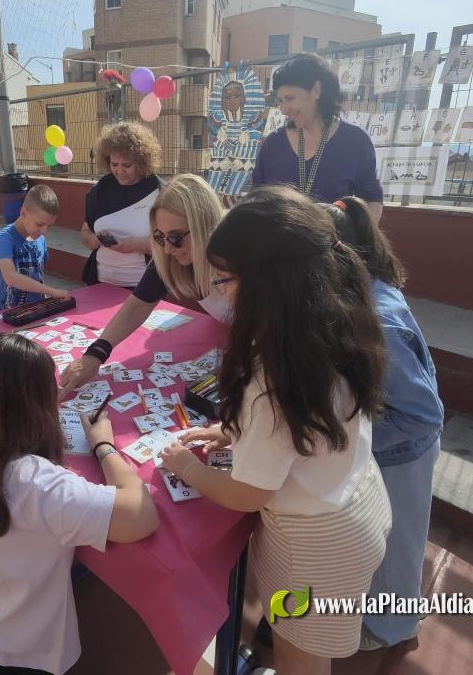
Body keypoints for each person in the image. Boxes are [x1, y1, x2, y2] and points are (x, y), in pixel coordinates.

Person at [159, 186, 392, 675]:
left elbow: (247, 494)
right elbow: (307, 426)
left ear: (266, 284)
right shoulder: (331, 326)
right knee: (302, 645)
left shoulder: (271, 378)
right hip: (357, 504)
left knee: (297, 656)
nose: (219, 291)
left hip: (313, 547)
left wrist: (187, 468)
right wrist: (234, 433)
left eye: (224, 279)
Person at [0, 332, 158, 674]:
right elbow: (142, 515)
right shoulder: (38, 483)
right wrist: (103, 446)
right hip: (20, 656)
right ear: (38, 405)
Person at [323, 196, 443, 652]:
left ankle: (393, 627)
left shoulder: (379, 322)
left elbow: (422, 414)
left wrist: (351, 439)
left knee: (398, 542)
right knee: (381, 534)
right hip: (386, 443)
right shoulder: (360, 290)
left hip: (401, 451)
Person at [59, 174, 224, 394]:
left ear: (204, 226)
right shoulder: (169, 258)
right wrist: (95, 353)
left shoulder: (241, 257)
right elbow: (138, 304)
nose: (167, 249)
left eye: (176, 237)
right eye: (159, 237)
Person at [251, 53, 384, 223]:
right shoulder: (273, 144)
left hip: (333, 240)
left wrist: (354, 238)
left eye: (290, 98)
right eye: (280, 100)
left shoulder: (355, 141)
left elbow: (371, 202)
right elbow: (256, 201)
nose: (283, 109)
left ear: (316, 90)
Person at [80, 122, 164, 287]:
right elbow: (85, 231)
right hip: (100, 282)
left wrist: (139, 246)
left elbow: (171, 243)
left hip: (143, 286)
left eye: (127, 165)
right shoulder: (99, 190)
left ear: (141, 162)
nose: (119, 171)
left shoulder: (159, 192)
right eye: (114, 164)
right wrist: (94, 240)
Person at [0, 184, 69, 312]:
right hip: (8, 314)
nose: (44, 231)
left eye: (49, 226)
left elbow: (38, 276)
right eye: (39, 224)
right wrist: (51, 291)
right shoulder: (4, 238)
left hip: (35, 311)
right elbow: (10, 277)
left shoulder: (40, 239)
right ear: (23, 212)